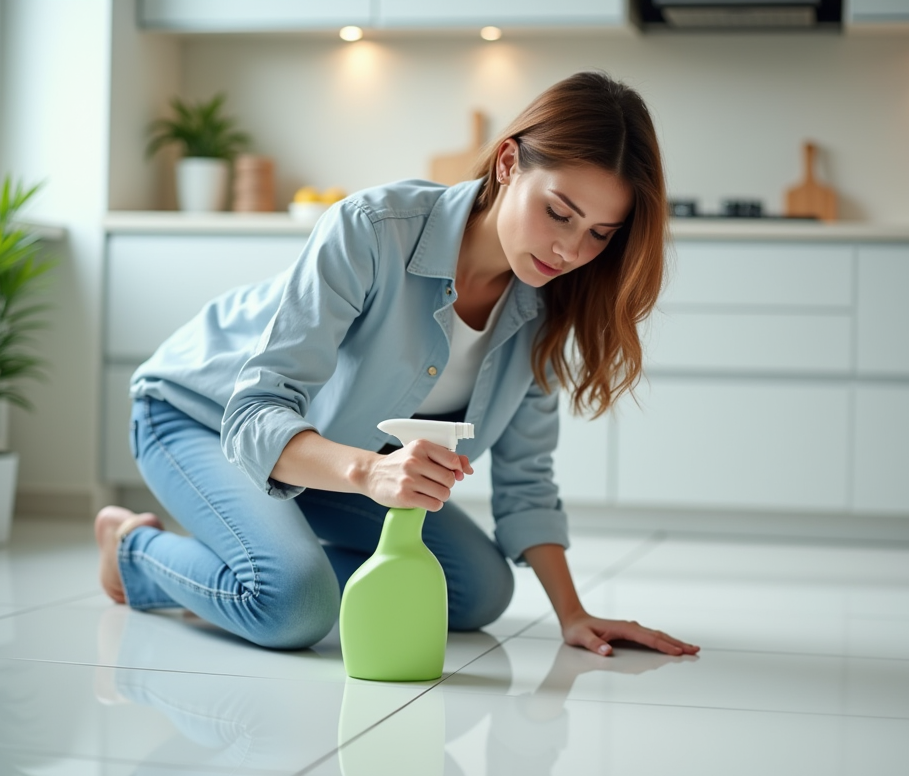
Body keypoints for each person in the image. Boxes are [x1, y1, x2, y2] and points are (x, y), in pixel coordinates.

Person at [95, 71, 699, 660]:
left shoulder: (546, 304)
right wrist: (368, 474)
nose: (571, 251)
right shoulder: (373, 229)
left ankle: (261, 564)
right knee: (292, 607)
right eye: (560, 214)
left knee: (477, 593)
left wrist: (573, 614)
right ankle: (133, 548)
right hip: (203, 420)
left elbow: (526, 478)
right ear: (509, 163)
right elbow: (256, 412)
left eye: (599, 234)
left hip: (328, 462)